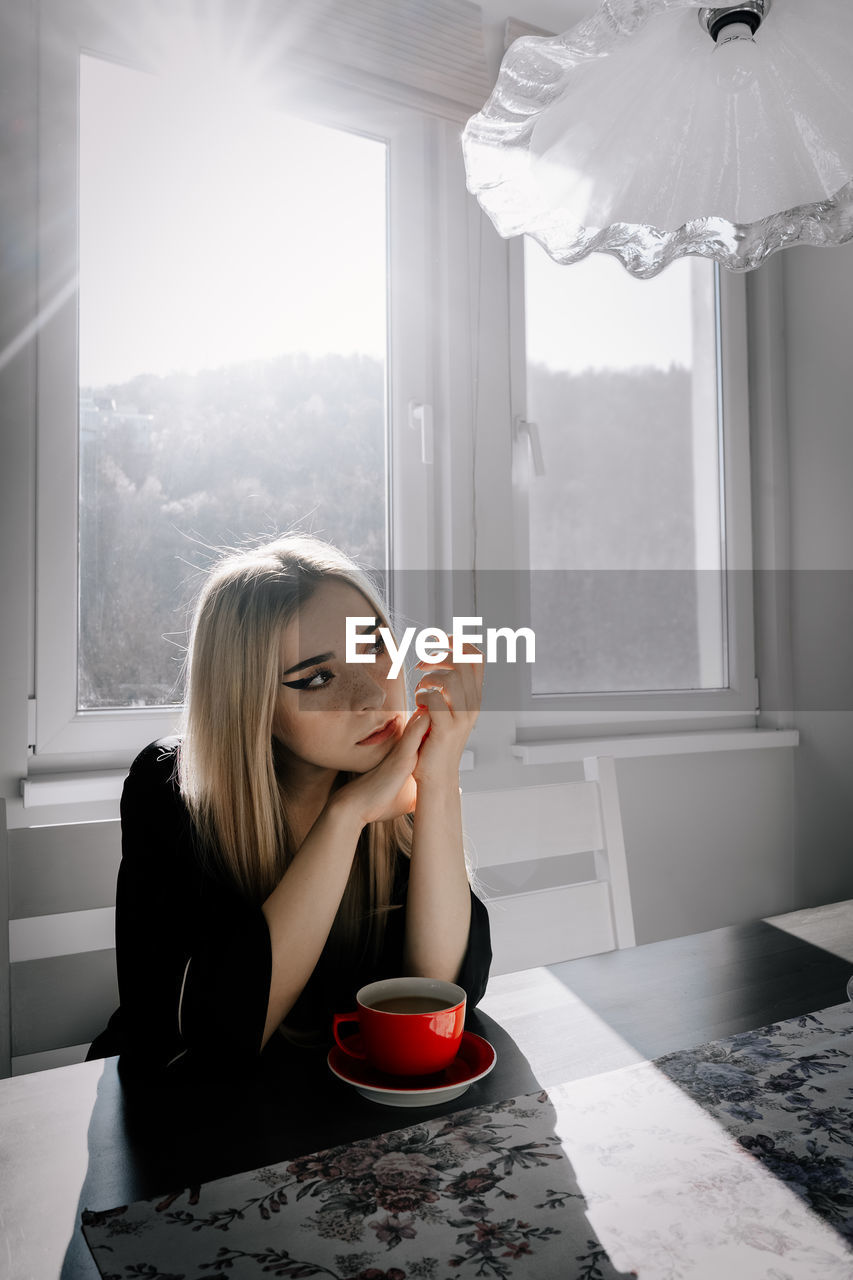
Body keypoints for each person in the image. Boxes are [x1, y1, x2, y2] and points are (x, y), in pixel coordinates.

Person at [87, 534, 491, 1078]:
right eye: (317, 677)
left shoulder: (388, 764)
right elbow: (219, 1035)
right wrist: (345, 817)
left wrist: (439, 780)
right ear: (250, 705)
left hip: (341, 1106)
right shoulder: (169, 789)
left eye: (374, 646)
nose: (372, 695)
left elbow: (440, 998)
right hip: (187, 1112)